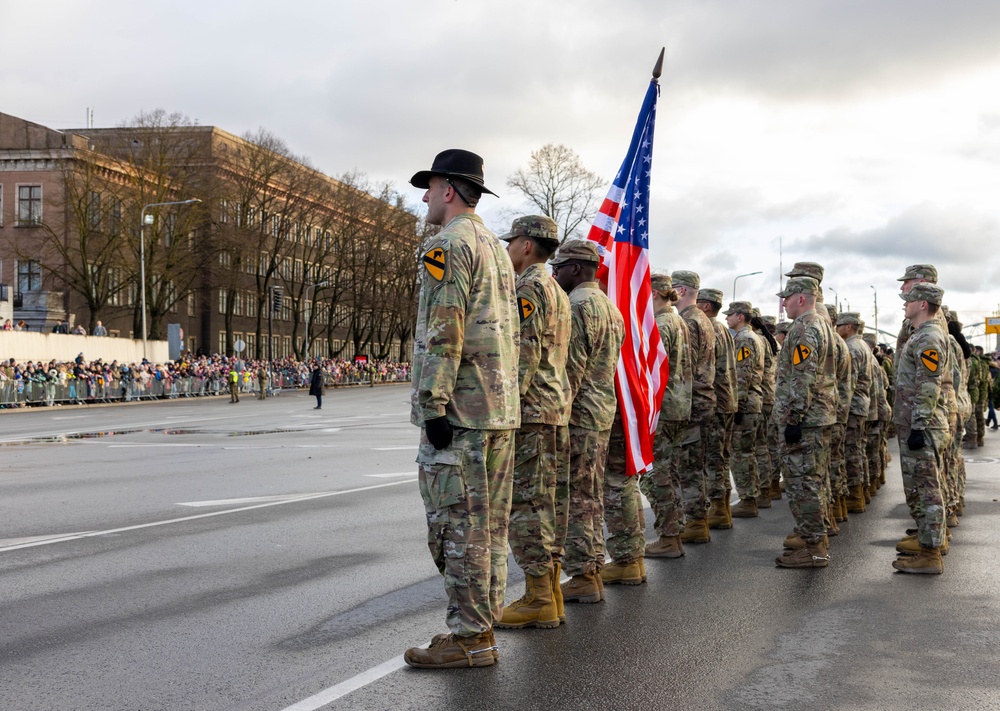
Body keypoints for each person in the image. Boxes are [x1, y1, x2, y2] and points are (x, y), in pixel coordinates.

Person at [404, 149, 520, 669]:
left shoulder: (446, 246)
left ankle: (471, 637)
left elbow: (442, 328)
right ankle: (483, 627)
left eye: (428, 187)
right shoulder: (495, 248)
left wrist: (432, 403)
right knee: (489, 526)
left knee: (457, 527)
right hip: (496, 409)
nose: (425, 197)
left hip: (460, 413)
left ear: (449, 189)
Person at [496, 215, 571, 628]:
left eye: (512, 243)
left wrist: (505, 409)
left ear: (526, 245)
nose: (508, 250)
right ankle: (550, 593)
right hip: (553, 408)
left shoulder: (529, 287)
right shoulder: (556, 289)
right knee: (547, 503)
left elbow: (522, 354)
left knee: (526, 506)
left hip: (531, 411)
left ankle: (540, 595)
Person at [551, 240, 624, 604]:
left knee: (576, 496)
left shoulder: (577, 306)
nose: (555, 272)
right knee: (592, 494)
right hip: (601, 412)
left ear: (576, 269)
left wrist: (554, 417)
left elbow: (571, 372)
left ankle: (583, 574)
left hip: (579, 415)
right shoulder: (610, 307)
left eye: (560, 266)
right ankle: (592, 568)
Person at [773, 276, 836, 568]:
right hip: (817, 416)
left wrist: (794, 417)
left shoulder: (805, 327)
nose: (783, 303)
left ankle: (814, 548)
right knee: (814, 481)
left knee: (802, 485)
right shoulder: (821, 325)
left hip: (805, 418)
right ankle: (816, 543)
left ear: (801, 298)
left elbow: (803, 376)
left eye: (787, 297)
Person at [892, 282, 952, 574]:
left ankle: (931, 555)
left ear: (923, 304)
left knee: (927, 490)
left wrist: (918, 426)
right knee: (920, 487)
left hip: (924, 427)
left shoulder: (929, 337)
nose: (905, 303)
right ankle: (929, 545)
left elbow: (929, 384)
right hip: (917, 424)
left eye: (909, 299)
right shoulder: (920, 335)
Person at [641, 274, 692, 559]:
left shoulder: (660, 324)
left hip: (663, 408)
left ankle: (669, 537)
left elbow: (652, 369)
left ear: (655, 294)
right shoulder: (679, 321)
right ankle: (675, 531)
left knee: (655, 476)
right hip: (679, 406)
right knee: (669, 473)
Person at [671, 270, 716, 544]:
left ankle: (696, 522)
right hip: (703, 399)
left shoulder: (688, 321)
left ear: (683, 291)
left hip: (692, 402)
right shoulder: (704, 320)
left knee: (687, 467)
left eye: (674, 288)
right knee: (695, 466)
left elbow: (682, 367)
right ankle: (699, 520)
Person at [696, 288, 737, 530]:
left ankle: (719, 508)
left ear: (706, 306)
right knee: (720, 457)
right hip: (726, 400)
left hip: (716, 401)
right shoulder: (723, 329)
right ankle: (722, 508)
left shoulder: (710, 327)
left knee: (712, 458)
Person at [724, 301, 765, 518]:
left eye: (730, 315)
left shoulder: (744, 340)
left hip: (745, 403)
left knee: (740, 454)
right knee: (747, 453)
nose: (727, 318)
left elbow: (742, 374)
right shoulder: (750, 338)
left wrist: (737, 405)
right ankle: (752, 496)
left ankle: (748, 499)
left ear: (740, 317)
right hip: (751, 402)